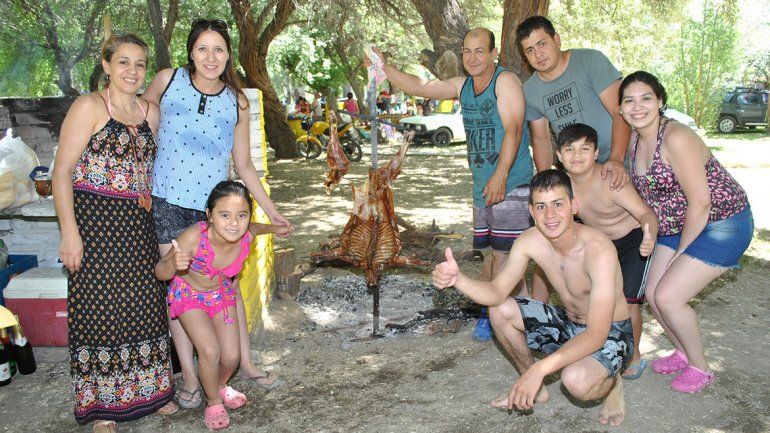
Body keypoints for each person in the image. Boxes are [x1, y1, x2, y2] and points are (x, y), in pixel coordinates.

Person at [142, 18, 294, 409]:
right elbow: (141, 134)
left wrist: (273, 213)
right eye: (203, 49)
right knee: (178, 287)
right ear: (190, 51)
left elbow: (243, 165)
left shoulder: (237, 100)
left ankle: (244, 363)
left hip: (215, 209)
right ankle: (191, 378)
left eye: (219, 49)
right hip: (168, 202)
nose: (211, 57)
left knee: (225, 286)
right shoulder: (166, 81)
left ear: (229, 55)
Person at [367, 28, 537, 341]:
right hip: (482, 186)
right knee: (491, 255)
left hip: (511, 182)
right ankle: (511, 315)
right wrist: (384, 68)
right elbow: (422, 87)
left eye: (479, 51)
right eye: (467, 51)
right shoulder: (463, 86)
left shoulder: (505, 81)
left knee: (504, 257)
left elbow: (513, 131)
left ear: (493, 53)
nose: (472, 58)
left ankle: (501, 317)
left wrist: (500, 176)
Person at [432, 169, 631, 426]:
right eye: (541, 206)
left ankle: (613, 381)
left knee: (576, 381)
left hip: (611, 332)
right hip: (570, 324)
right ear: (531, 212)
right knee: (500, 309)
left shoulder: (598, 250)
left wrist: (541, 368)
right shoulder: (529, 241)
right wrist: (458, 280)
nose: (550, 215)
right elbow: (496, 292)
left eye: (558, 204)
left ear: (574, 206)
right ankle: (535, 389)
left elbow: (596, 334)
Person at [53, 33, 176, 432]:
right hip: (96, 227)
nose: (132, 71)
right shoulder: (89, 106)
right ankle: (104, 406)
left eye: (140, 64)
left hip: (139, 226)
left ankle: (153, 393)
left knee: (145, 308)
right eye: (123, 62)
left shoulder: (150, 113)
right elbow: (61, 174)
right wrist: (70, 234)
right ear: (106, 65)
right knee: (100, 313)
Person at [619, 71, 754, 393]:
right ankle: (682, 350)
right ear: (621, 108)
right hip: (676, 226)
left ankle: (701, 367)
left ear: (661, 101)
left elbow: (701, 204)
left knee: (669, 295)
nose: (638, 107)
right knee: (652, 294)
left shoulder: (676, 137)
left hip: (722, 222)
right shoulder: (636, 138)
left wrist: (679, 256)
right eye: (629, 101)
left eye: (646, 98)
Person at [155, 181, 292, 430]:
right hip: (190, 296)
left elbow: (256, 228)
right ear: (209, 215)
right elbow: (160, 272)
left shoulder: (245, 234)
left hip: (220, 295)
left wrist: (275, 228)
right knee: (209, 351)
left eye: (242, 215)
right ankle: (213, 402)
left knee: (231, 356)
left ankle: (219, 384)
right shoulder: (195, 236)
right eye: (224, 215)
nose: (233, 223)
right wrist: (173, 263)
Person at [515, 15, 633, 304]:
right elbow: (541, 139)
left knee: (614, 236)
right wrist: (546, 186)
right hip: (575, 170)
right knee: (554, 239)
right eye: (529, 50)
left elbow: (621, 113)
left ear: (557, 40)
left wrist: (616, 159)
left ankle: (618, 298)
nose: (537, 54)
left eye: (542, 44)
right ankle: (539, 313)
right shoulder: (531, 90)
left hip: (613, 162)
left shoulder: (590, 62)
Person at [555, 123, 658, 379]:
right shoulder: (563, 187)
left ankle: (634, 356)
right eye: (570, 149)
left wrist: (650, 235)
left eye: (584, 149)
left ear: (596, 153)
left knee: (629, 303)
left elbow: (646, 213)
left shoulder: (611, 181)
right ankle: (600, 345)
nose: (577, 156)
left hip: (633, 241)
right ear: (559, 156)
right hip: (601, 247)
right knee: (596, 299)